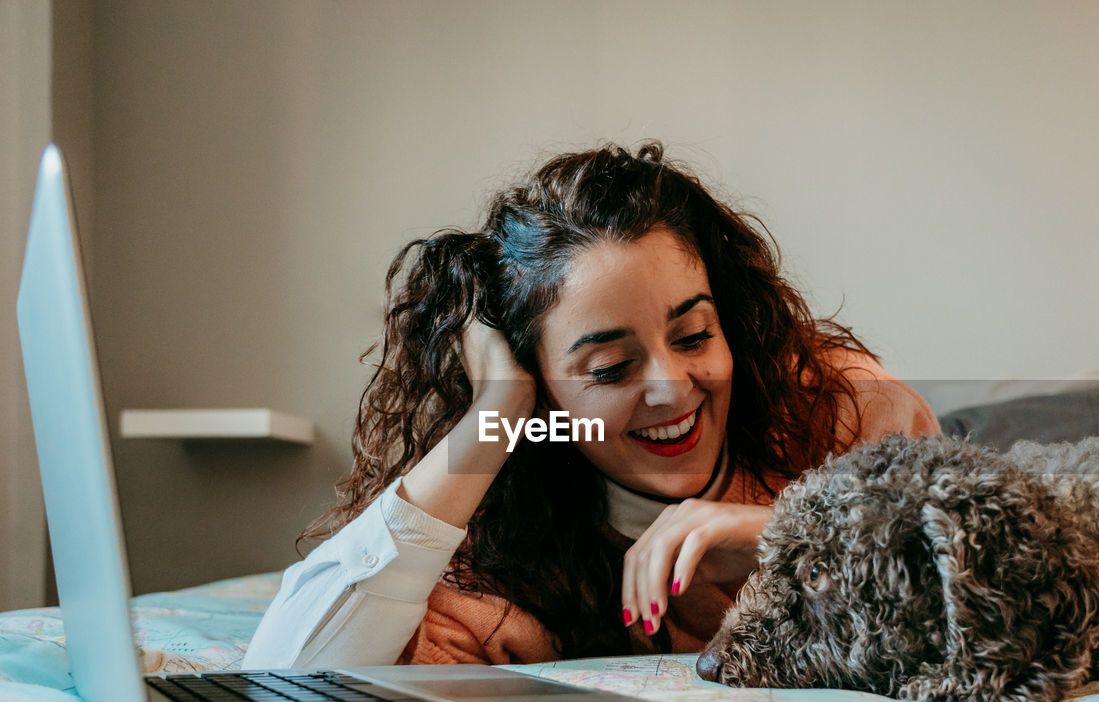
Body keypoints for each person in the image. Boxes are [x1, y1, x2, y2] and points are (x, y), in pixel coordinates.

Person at [243, 142, 939, 670]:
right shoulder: (505, 567)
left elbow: (1001, 588)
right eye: (610, 367)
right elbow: (284, 682)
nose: (671, 387)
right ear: (542, 389)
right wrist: (494, 417)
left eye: (695, 334)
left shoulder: (839, 412)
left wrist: (790, 536)